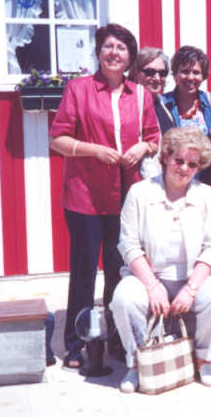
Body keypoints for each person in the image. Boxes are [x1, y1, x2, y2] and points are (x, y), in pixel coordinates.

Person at [49, 23, 160, 369]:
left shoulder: (140, 95)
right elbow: (58, 139)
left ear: (130, 57)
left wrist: (142, 147)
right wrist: (94, 150)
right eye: (108, 46)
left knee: (118, 270)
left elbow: (154, 137)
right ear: (98, 52)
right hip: (85, 196)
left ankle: (116, 338)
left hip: (125, 198)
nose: (114, 53)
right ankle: (75, 345)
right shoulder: (78, 89)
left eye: (121, 48)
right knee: (84, 272)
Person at [109, 127, 211, 390]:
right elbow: (129, 246)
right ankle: (136, 364)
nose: (184, 168)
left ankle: (204, 360)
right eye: (178, 160)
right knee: (123, 299)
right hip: (149, 275)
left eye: (192, 164)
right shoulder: (139, 193)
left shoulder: (209, 196)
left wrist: (191, 289)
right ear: (165, 157)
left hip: (194, 275)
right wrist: (152, 286)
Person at [161, 45, 211, 182]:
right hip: (173, 177)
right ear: (175, 74)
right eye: (185, 71)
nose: (190, 77)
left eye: (196, 72)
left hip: (205, 178)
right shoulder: (163, 103)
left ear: (203, 76)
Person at [128, 47, 175, 177]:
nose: (157, 78)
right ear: (136, 73)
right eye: (149, 72)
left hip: (163, 178)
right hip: (137, 179)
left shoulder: (162, 104)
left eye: (162, 73)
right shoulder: (128, 105)